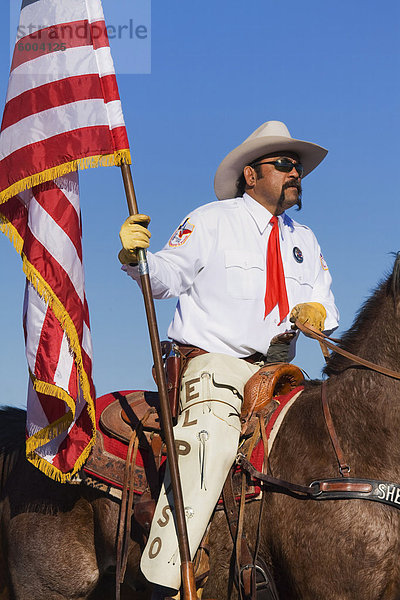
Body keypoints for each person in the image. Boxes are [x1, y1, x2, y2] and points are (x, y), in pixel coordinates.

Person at [118, 120, 339, 593]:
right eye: (283, 163)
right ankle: (164, 579)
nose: (294, 171)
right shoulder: (211, 220)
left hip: (282, 375)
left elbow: (328, 304)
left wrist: (318, 311)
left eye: (297, 166)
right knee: (210, 441)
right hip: (213, 367)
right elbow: (165, 277)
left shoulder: (307, 241)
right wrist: (136, 256)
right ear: (251, 175)